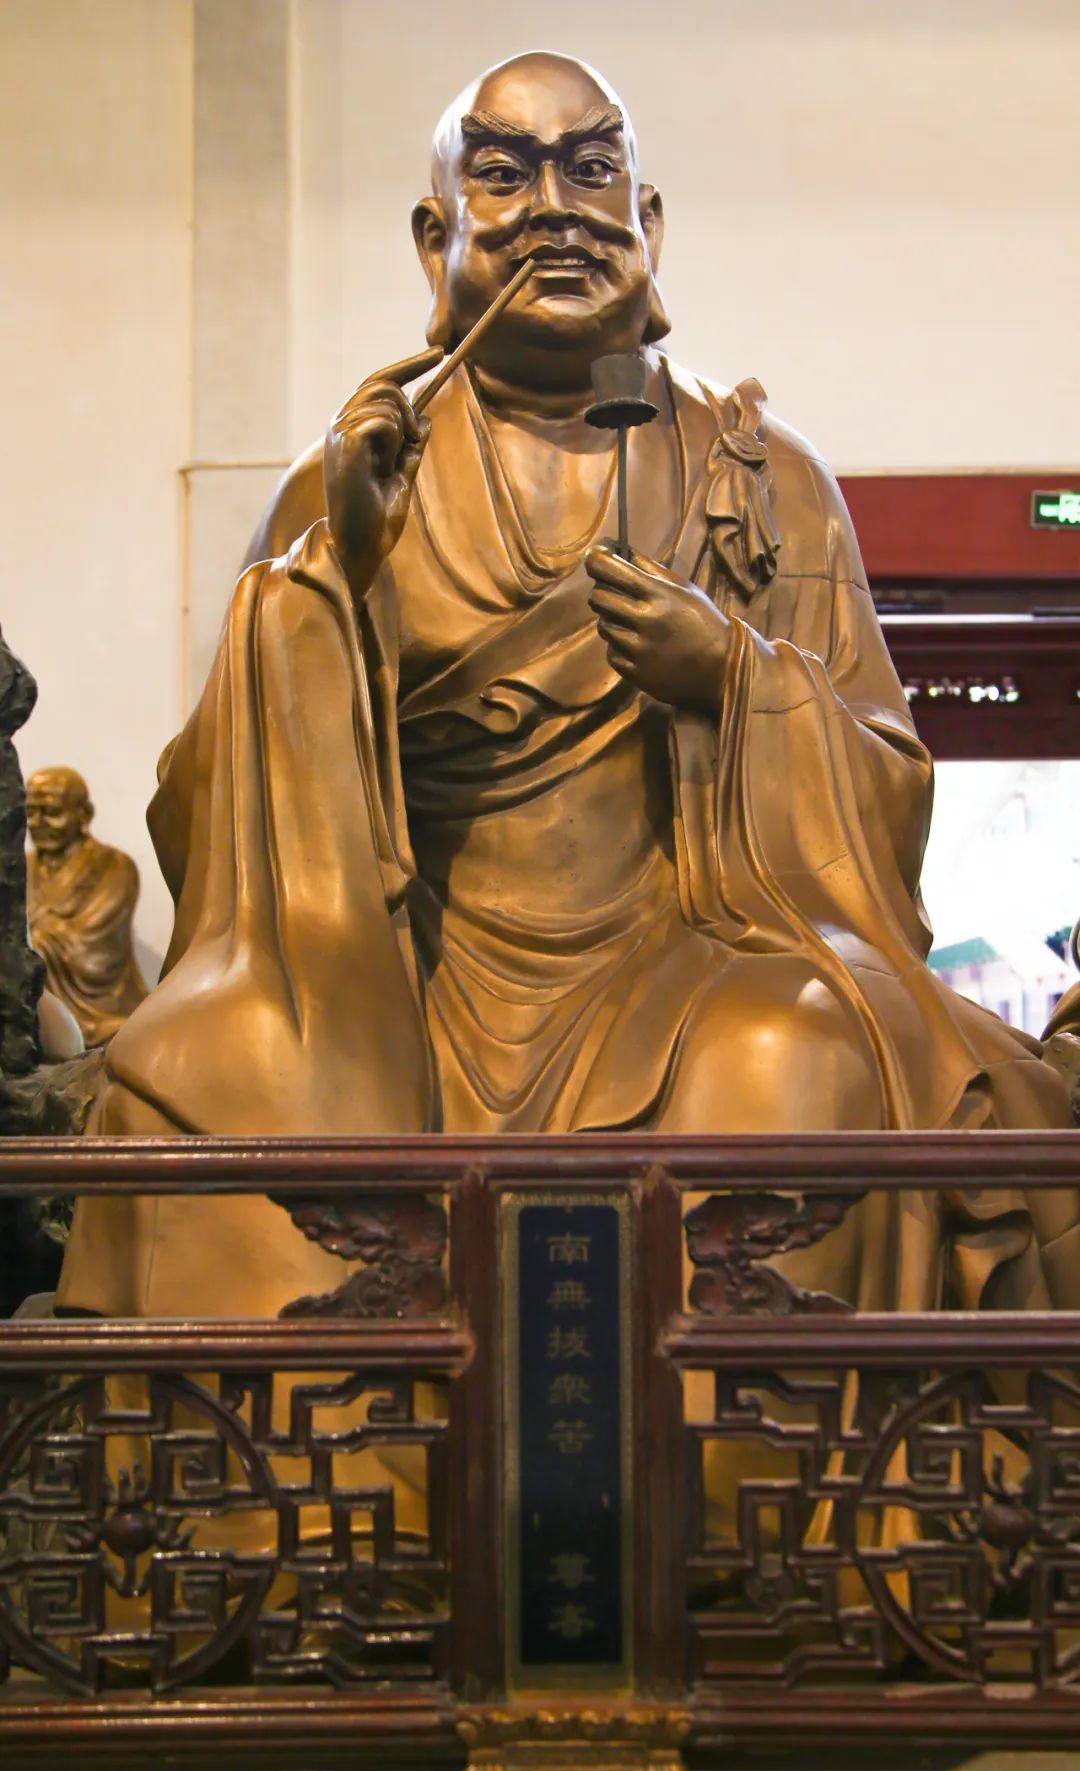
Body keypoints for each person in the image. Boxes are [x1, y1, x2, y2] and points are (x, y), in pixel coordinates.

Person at [58, 51, 1078, 1324]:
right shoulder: (352, 476)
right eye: (504, 174)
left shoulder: (765, 480)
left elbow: (886, 790)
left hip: (697, 960)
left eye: (592, 170)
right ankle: (356, 1447)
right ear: (435, 236)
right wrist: (335, 582)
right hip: (410, 974)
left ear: (647, 220)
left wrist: (734, 679)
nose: (555, 209)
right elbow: (213, 815)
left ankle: (733, 1446)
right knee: (208, 1068)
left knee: (797, 1050)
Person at [26, 766, 147, 1048]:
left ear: (84, 814)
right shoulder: (19, 868)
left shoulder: (114, 867)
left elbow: (93, 946)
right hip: (31, 1007)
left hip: (95, 1010)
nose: (38, 823)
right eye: (30, 812)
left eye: (52, 812)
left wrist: (28, 948)